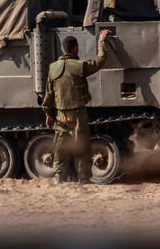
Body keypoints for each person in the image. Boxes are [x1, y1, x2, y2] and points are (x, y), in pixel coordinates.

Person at [41, 30, 110, 184]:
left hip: (60, 115)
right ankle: (83, 178)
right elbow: (100, 61)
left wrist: (49, 113)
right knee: (81, 146)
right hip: (78, 114)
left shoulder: (53, 68)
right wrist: (101, 41)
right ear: (75, 49)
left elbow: (49, 94)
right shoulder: (79, 66)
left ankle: (59, 176)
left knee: (60, 146)